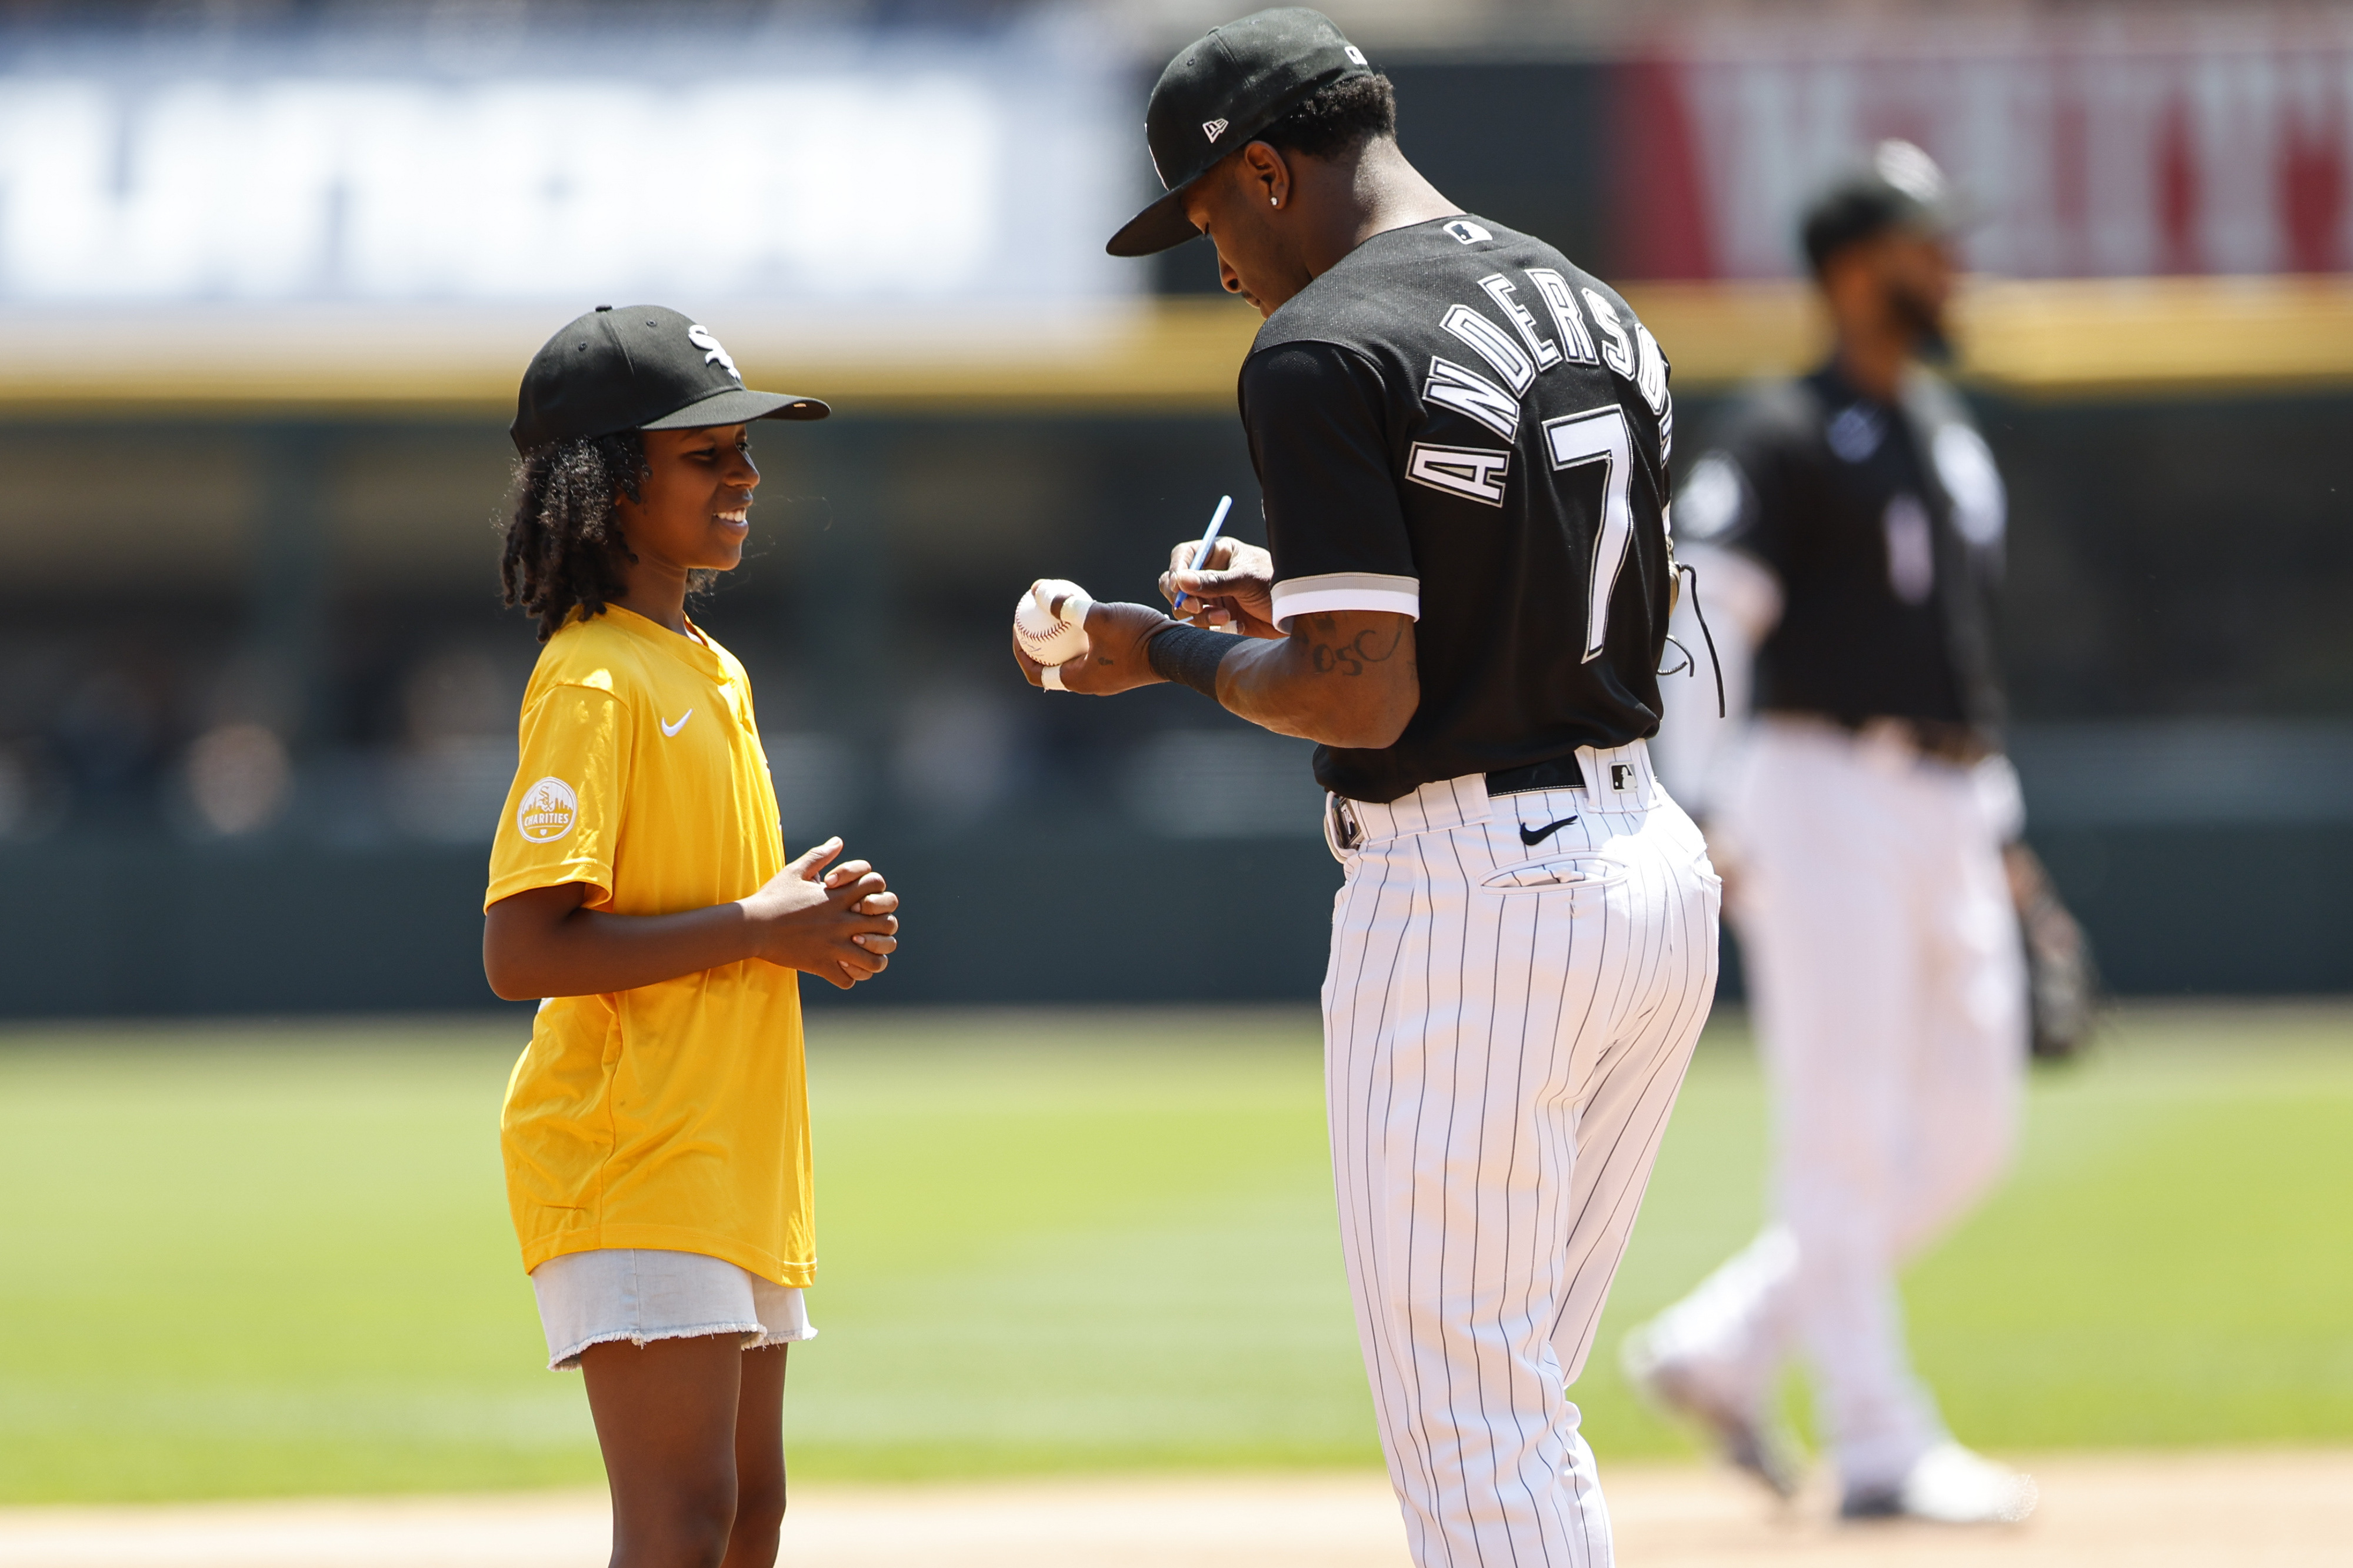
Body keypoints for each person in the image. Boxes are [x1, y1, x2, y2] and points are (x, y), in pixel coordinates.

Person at [1016, 12, 1717, 1565]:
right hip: (1650, 872)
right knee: (1516, 1397)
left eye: (1211, 218)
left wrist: (1159, 656)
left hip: (1480, 903)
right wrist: (1304, 601)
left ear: (1268, 169)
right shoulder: (1588, 298)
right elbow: (1556, 588)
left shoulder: (1325, 341)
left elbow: (1363, 691)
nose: (1215, 262)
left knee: (1477, 1435)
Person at [1622, 143, 2041, 1525]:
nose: (1950, 267)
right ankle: (1875, 1440)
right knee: (1841, 1128)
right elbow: (1700, 624)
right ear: (1857, 268)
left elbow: (1961, 644)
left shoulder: (1939, 432)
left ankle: (1726, 1343)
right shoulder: (1784, 434)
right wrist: (1711, 803)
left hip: (1944, 795)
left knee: (1970, 1125)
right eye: (1927, 244)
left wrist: (2000, 822)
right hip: (1814, 792)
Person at [482, 305, 901, 1568]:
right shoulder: (594, 676)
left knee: (743, 1518)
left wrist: (805, 930)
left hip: (723, 1151)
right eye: (704, 453)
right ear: (607, 483)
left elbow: (709, 913)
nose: (744, 474)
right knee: (678, 1522)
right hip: (634, 1148)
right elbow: (522, 950)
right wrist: (755, 926)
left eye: (742, 450)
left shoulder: (703, 664)